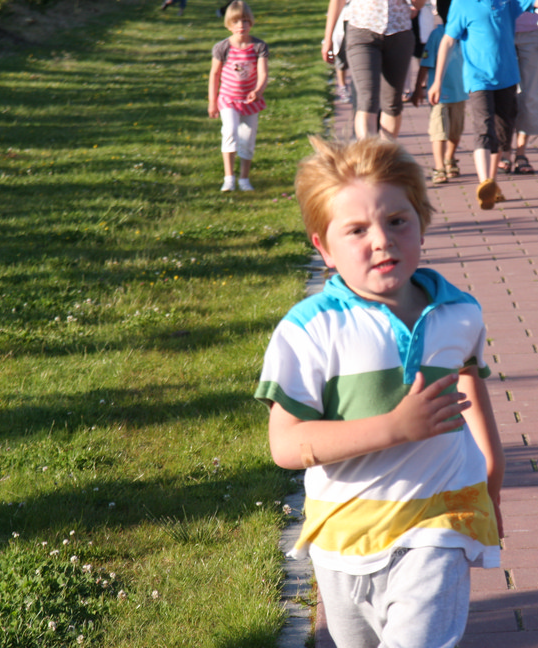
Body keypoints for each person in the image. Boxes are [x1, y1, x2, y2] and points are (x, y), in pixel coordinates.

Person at [255, 136, 505, 648]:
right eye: (356, 230)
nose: (381, 240)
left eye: (397, 221)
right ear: (323, 247)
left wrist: (491, 478)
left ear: (422, 223)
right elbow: (285, 444)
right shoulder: (309, 330)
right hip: (342, 534)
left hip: (440, 517)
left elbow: (468, 387)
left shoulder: (459, 312)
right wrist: (394, 427)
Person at [429, 0, 538, 209]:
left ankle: (491, 183)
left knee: (503, 132)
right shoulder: (462, 4)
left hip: (507, 77)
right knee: (483, 128)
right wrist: (437, 81)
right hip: (478, 79)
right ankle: (484, 181)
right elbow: (448, 41)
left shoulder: (508, 2)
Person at [322, 0, 427, 140]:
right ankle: (369, 151)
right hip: (362, 31)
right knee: (367, 100)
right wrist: (328, 39)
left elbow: (418, 5)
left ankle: (386, 151)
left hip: (399, 32)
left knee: (392, 103)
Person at [208, 1, 269, 192]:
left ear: (251, 22)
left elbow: (263, 73)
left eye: (245, 21)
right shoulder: (222, 47)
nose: (241, 25)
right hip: (228, 99)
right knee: (230, 131)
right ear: (228, 25)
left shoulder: (259, 46)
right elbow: (214, 74)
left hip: (250, 101)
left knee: (248, 138)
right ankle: (229, 178)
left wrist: (258, 91)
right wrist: (212, 102)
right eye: (235, 22)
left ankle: (244, 178)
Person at [411, 2, 467, 185]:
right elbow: (425, 64)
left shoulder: (466, 33)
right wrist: (418, 88)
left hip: (460, 92)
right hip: (439, 94)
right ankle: (439, 167)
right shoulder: (437, 35)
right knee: (439, 131)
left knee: (456, 131)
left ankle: (450, 158)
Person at [504, 11, 538, 175]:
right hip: (501, 29)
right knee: (504, 94)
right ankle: (504, 150)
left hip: (533, 30)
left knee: (529, 95)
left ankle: (521, 153)